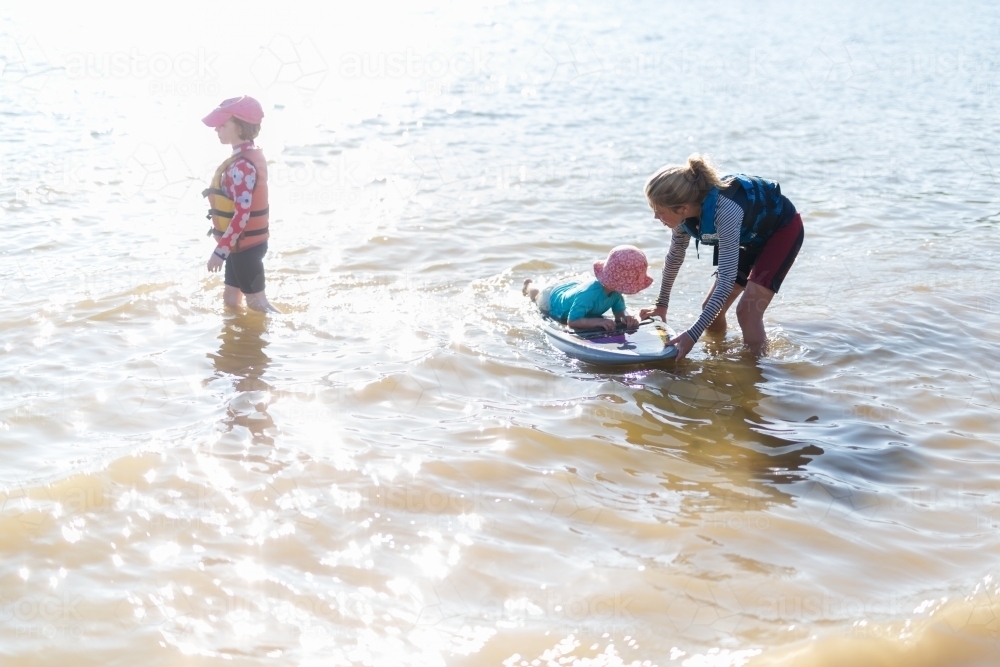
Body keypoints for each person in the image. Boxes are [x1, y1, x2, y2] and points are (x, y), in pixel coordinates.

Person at [639, 154, 803, 360]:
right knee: (711, 310)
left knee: (747, 313)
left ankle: (758, 373)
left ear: (682, 208)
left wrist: (693, 333)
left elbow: (725, 282)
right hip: (747, 236)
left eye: (659, 211)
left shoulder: (725, 211)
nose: (656, 217)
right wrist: (661, 305)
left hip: (781, 231)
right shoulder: (683, 218)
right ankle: (719, 357)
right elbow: (674, 258)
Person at [202, 96, 279, 313]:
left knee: (258, 305)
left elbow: (242, 215)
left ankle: (293, 336)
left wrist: (220, 250)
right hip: (240, 245)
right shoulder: (244, 157)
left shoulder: (243, 166)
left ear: (239, 127)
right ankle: (235, 344)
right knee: (231, 301)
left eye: (223, 124)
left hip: (246, 248)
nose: (217, 128)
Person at [523, 245, 652, 331]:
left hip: (575, 288)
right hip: (553, 300)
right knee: (537, 295)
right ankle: (528, 285)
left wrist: (626, 317)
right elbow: (572, 321)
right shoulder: (588, 295)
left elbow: (619, 312)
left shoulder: (615, 292)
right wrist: (598, 322)